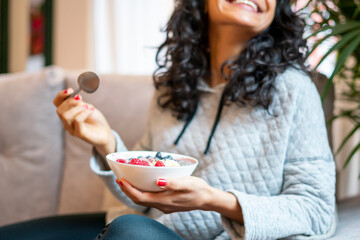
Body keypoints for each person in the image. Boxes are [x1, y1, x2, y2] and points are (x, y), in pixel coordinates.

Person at [1, 0, 336, 239]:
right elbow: (141, 191)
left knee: (128, 232)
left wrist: (213, 200)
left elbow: (317, 210)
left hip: (171, 236)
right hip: (144, 228)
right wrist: (106, 143)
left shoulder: (295, 89)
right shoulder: (173, 85)